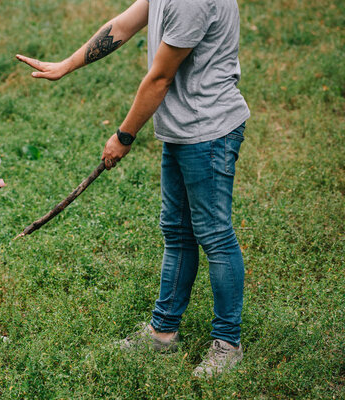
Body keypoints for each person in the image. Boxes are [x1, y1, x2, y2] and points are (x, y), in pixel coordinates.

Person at [16, 0, 250, 377]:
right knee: (177, 232)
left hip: (208, 132)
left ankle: (227, 344)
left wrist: (124, 135)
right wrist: (66, 65)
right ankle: (162, 333)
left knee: (215, 235)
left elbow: (160, 78)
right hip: (182, 129)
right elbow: (121, 26)